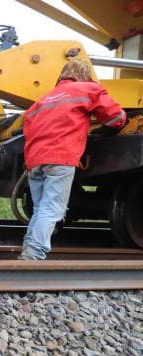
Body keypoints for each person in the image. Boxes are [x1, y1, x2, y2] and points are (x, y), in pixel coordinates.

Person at [20, 57, 127, 260]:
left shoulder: (42, 100)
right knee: (52, 210)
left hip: (34, 160)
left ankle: (28, 249)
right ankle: (33, 256)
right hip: (60, 158)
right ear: (85, 75)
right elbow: (115, 118)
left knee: (40, 208)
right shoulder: (88, 89)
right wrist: (121, 121)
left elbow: (28, 132)